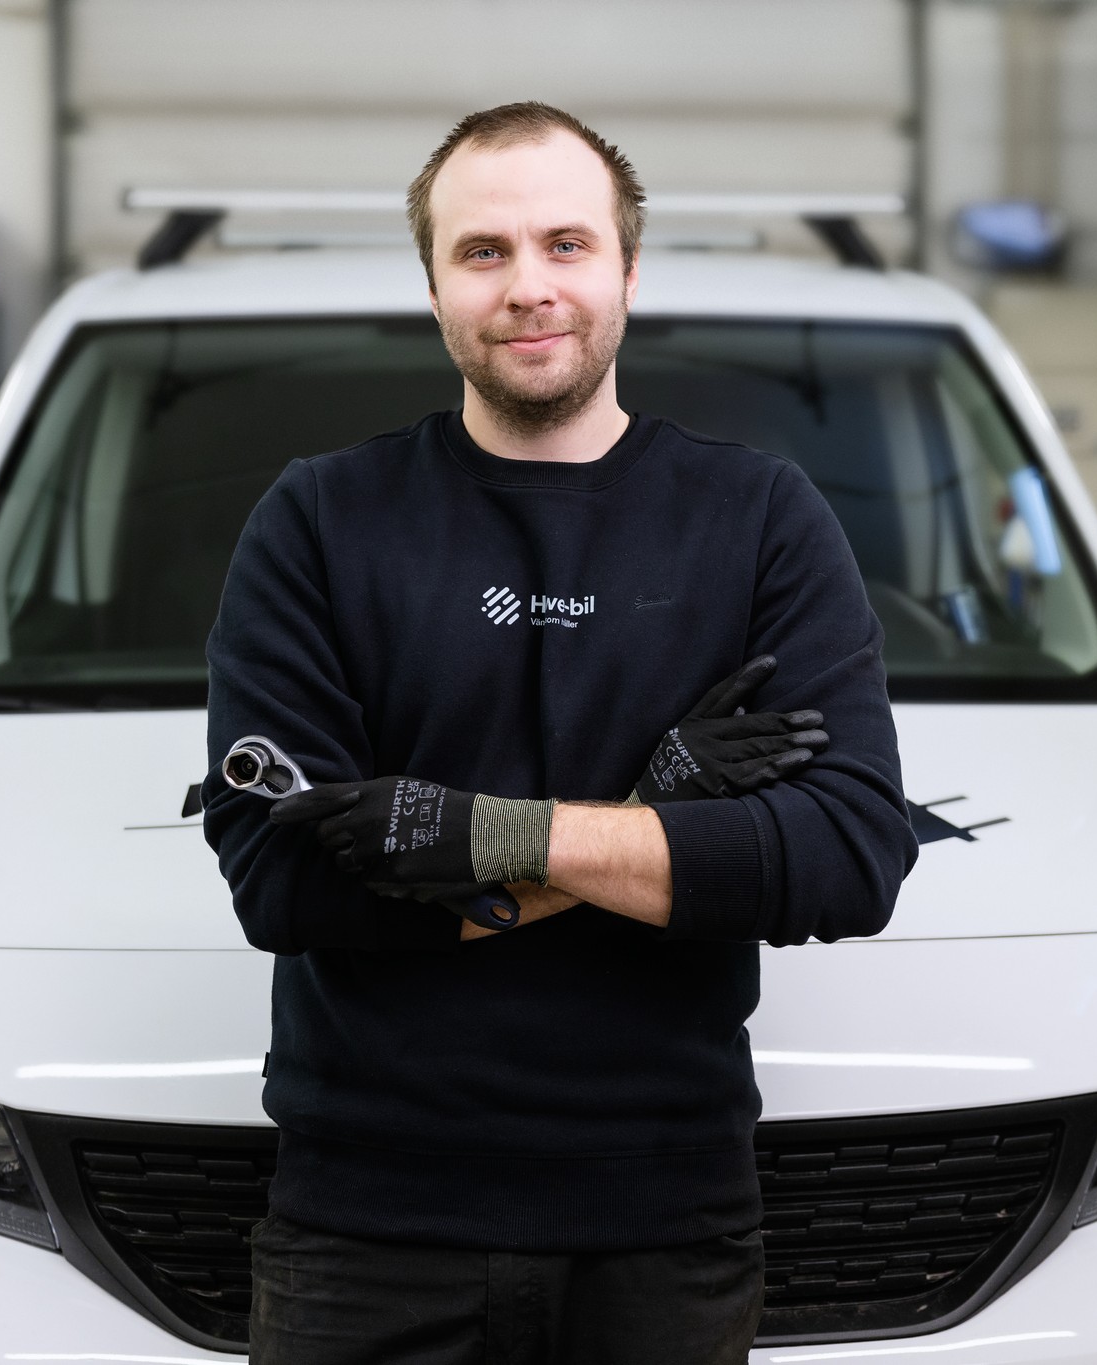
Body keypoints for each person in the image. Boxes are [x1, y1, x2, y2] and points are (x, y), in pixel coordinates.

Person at [202, 101, 918, 1365]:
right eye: (482, 251)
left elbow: (847, 856)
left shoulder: (757, 518)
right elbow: (284, 880)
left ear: (628, 271)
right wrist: (666, 817)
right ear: (433, 286)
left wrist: (479, 834)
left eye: (565, 244)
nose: (527, 286)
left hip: (663, 1221)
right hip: (365, 1227)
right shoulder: (318, 521)